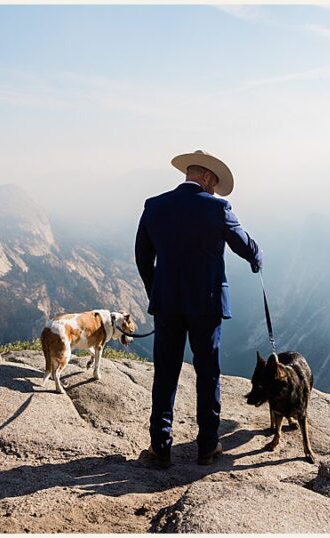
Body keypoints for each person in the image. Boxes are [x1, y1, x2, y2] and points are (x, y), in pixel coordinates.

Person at [135, 150, 263, 468]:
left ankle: (160, 448)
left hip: (167, 305)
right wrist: (257, 258)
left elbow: (142, 257)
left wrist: (158, 291)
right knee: (208, 374)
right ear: (206, 177)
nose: (216, 190)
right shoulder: (218, 208)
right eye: (215, 184)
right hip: (206, 306)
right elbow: (243, 245)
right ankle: (207, 446)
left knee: (165, 373)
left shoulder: (154, 205)